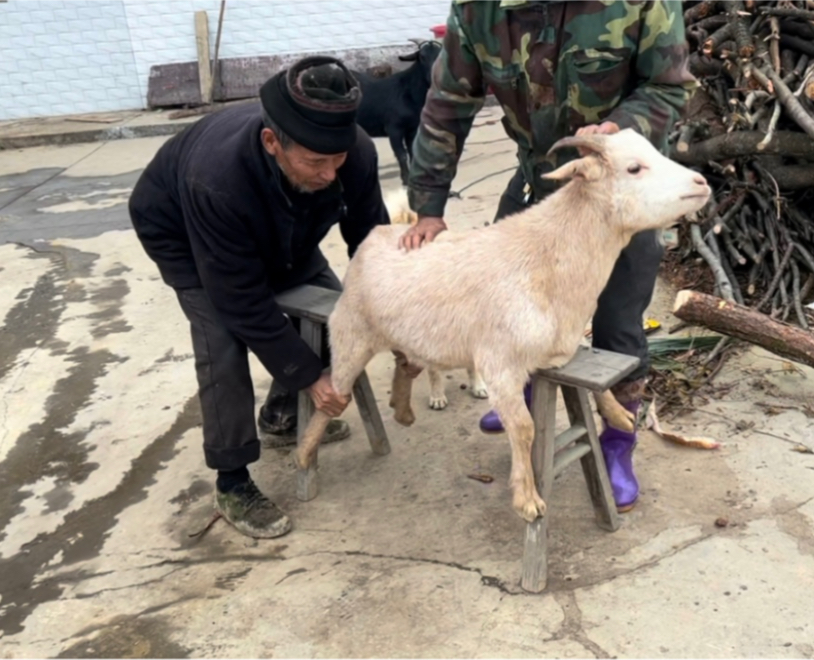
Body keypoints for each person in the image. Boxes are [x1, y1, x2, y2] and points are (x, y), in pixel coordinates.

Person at [400, 0, 697, 513]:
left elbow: (670, 86)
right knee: (505, 305)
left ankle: (618, 444)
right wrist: (427, 205)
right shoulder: (477, 9)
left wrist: (617, 129)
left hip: (621, 195)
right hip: (540, 181)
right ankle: (519, 398)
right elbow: (448, 100)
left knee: (618, 326)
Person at [129, 56, 388, 539]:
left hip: (285, 229)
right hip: (184, 232)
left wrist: (402, 312)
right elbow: (241, 299)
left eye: (338, 160)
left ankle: (282, 414)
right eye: (315, 162)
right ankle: (231, 482)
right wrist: (310, 376)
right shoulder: (218, 180)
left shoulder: (352, 155)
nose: (331, 174)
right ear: (273, 143)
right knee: (222, 342)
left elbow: (372, 244)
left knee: (343, 319)